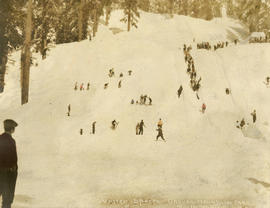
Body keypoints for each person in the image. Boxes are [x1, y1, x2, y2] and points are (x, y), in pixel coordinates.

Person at [0, 119, 18, 208]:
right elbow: (12, 159)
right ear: (11, 129)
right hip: (8, 174)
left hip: (2, 172)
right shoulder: (11, 141)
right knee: (7, 200)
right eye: (14, 128)